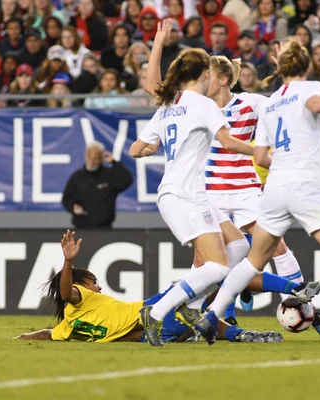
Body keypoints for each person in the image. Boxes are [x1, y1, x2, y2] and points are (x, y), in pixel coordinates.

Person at [196, 39, 320, 351]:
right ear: (306, 67)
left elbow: (262, 155)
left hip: (275, 188)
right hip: (305, 184)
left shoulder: (272, 99)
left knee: (253, 261)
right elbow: (316, 104)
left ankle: (211, 315)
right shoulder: (310, 88)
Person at [127, 20, 255, 346]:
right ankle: (159, 312)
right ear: (206, 75)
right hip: (188, 195)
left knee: (238, 245)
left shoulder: (168, 106)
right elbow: (227, 141)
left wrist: (150, 148)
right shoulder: (204, 105)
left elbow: (135, 149)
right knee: (217, 266)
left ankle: (194, 307)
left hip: (182, 193)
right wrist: (259, 152)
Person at [16, 230, 284, 343]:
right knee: (212, 275)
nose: (98, 286)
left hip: (147, 330)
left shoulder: (68, 328)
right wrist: (67, 261)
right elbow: (66, 293)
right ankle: (248, 290)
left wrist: (22, 339)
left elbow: (45, 333)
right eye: (93, 281)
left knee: (197, 302)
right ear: (81, 284)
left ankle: (237, 326)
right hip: (151, 310)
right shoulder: (81, 298)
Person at [62, 141, 133, 229]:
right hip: (81, 228)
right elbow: (66, 199)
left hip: (105, 228)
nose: (92, 161)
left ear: (101, 159)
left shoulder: (109, 175)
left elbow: (128, 179)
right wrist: (73, 207)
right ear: (85, 156)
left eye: (95, 158)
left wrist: (114, 163)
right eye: (90, 157)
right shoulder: (77, 177)